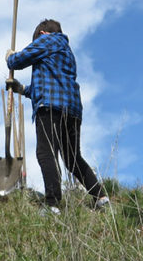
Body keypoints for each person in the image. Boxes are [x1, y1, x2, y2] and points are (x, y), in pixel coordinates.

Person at [6, 19, 109, 213]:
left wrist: (10, 57)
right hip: (72, 110)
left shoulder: (48, 40)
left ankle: (52, 203)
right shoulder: (65, 50)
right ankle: (100, 196)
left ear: (43, 34)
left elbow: (18, 61)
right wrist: (21, 89)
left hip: (51, 109)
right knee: (72, 158)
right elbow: (48, 86)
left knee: (46, 153)